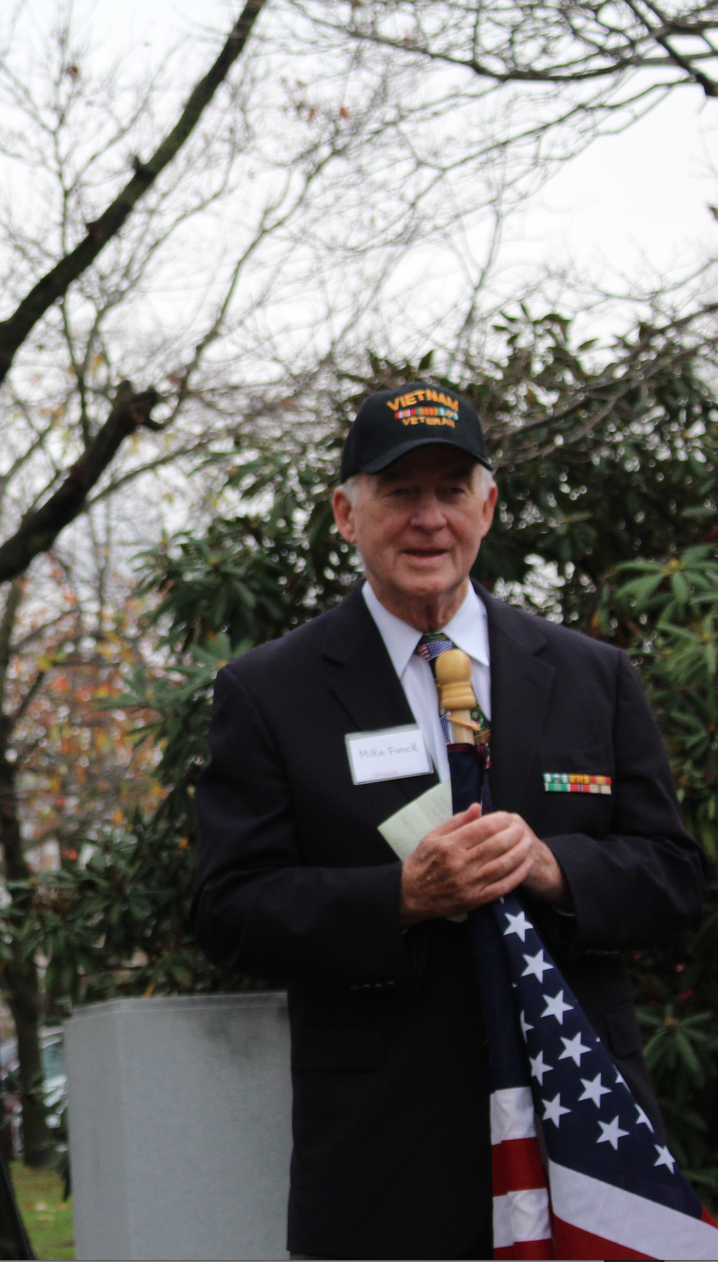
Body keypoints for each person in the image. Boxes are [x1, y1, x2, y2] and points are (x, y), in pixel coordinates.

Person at [191, 382, 707, 1259]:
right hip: (387, 1166)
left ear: (488, 506)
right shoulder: (270, 693)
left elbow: (676, 879)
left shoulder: (593, 676)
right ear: (346, 514)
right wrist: (402, 895)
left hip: (585, 1150)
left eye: (451, 489)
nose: (429, 518)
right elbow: (228, 909)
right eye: (399, 492)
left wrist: (554, 867)